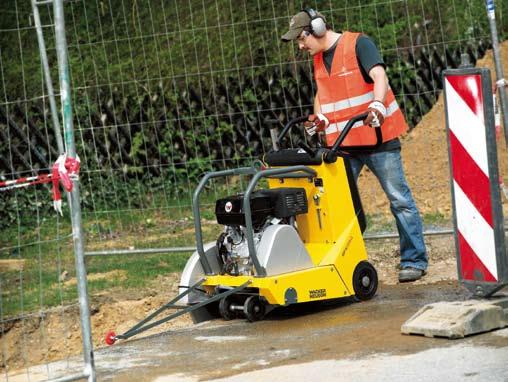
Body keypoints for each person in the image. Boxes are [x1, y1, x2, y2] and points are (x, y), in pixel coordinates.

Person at [281, 8, 428, 282]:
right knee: (339, 204)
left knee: (399, 200)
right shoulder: (317, 58)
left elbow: (379, 76)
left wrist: (377, 103)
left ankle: (414, 260)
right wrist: (319, 118)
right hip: (345, 144)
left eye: (301, 39)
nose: (300, 46)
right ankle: (345, 261)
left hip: (377, 139)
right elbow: (322, 93)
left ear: (317, 29)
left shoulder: (359, 44)